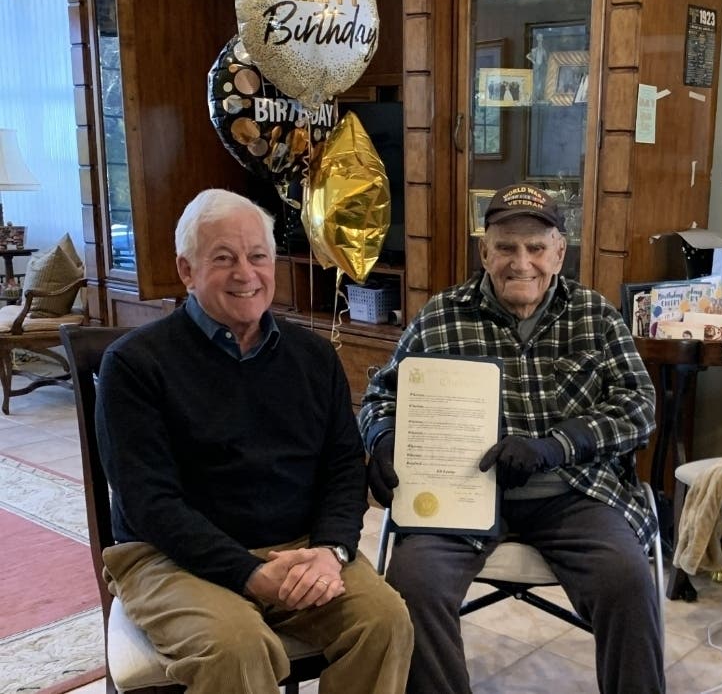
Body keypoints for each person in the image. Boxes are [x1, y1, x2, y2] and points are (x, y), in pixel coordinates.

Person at [95, 189, 413, 694]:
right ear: (186, 270)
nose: (246, 273)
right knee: (236, 647)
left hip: (298, 545)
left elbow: (343, 467)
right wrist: (247, 572)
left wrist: (331, 550)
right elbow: (148, 502)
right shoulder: (135, 365)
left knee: (384, 621)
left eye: (257, 256)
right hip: (170, 557)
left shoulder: (314, 357)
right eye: (223, 258)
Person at [359, 183, 664, 694]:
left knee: (628, 582)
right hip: (461, 495)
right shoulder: (440, 316)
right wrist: (385, 436)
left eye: (536, 248)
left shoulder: (596, 317)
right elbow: (381, 396)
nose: (521, 263)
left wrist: (555, 445)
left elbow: (639, 408)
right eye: (505, 247)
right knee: (412, 586)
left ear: (559, 254)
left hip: (574, 495)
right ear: (485, 252)